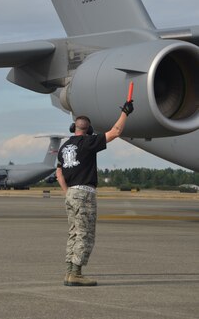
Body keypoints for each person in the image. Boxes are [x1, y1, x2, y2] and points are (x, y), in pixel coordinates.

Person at [56, 99, 134, 287]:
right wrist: (125, 112)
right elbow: (115, 132)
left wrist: (68, 192)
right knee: (85, 234)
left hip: (71, 193)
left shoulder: (64, 147)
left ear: (73, 127)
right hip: (84, 192)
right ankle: (76, 273)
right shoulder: (89, 142)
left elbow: (59, 173)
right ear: (89, 130)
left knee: (74, 233)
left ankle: (69, 272)